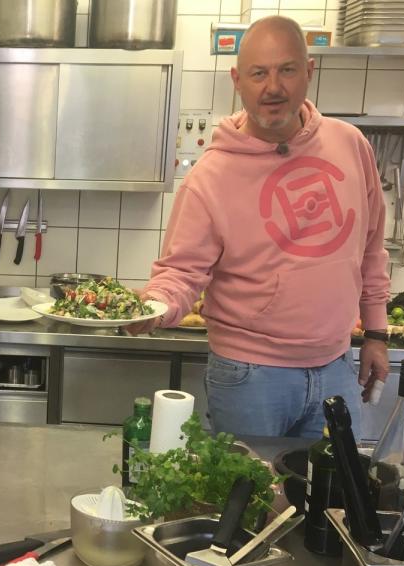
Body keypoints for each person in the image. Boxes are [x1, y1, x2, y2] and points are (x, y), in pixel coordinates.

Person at [131, 16, 390, 438]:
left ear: (308, 72)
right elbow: (180, 272)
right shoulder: (210, 177)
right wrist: (153, 306)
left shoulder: (351, 145)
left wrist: (377, 333)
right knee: (251, 502)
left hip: (337, 368)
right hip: (250, 376)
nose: (273, 87)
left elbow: (372, 247)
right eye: (259, 73)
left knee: (335, 500)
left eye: (287, 70)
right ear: (238, 80)